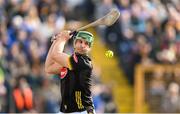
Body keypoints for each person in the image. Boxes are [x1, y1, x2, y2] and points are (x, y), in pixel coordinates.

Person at [45, 30, 95, 114]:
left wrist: (63, 39)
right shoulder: (69, 62)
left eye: (86, 43)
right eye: (80, 41)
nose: (83, 45)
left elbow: (55, 55)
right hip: (67, 110)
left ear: (89, 48)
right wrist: (56, 42)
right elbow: (49, 68)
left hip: (81, 110)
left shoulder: (83, 63)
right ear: (74, 43)